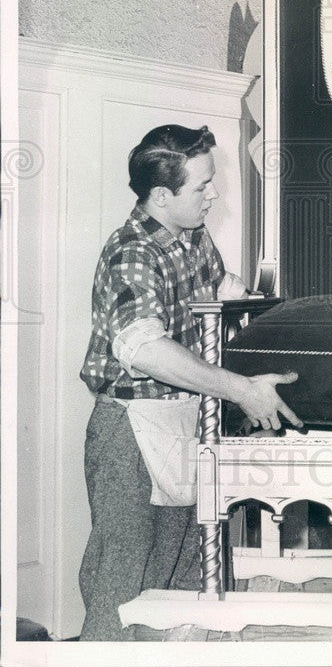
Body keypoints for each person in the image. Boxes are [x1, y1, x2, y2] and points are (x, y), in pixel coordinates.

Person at [78, 124, 302, 640]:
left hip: (182, 421)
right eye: (201, 186)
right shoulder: (131, 253)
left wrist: (246, 300)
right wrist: (240, 389)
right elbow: (147, 349)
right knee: (122, 580)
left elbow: (211, 293)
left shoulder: (192, 237)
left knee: (180, 574)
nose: (214, 194)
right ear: (161, 196)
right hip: (129, 432)